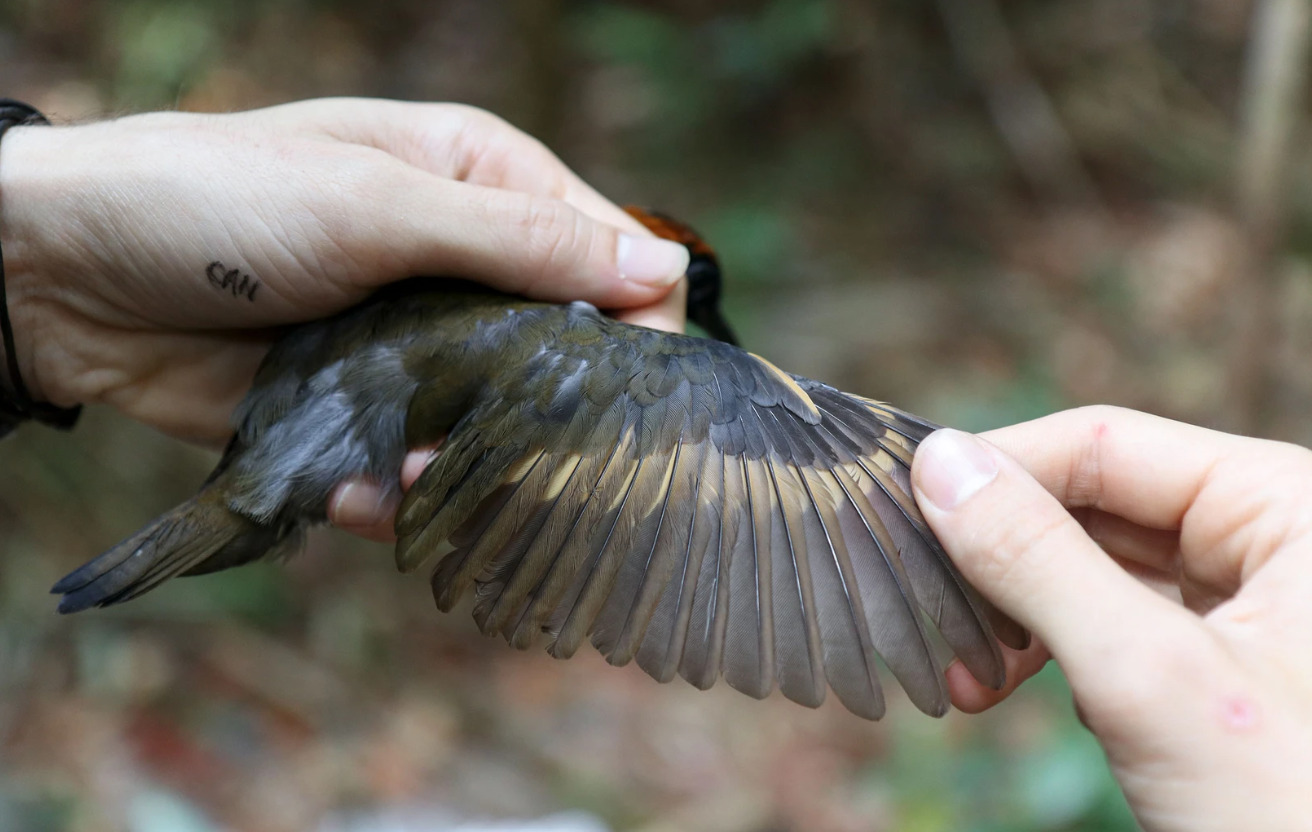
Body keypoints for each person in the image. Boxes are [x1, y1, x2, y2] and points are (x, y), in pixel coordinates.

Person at [2, 98, 1307, 831]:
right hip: (292, 428)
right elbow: (760, 458)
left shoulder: (498, 311)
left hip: (278, 419)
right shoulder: (636, 359)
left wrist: (39, 273)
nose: (700, 316)